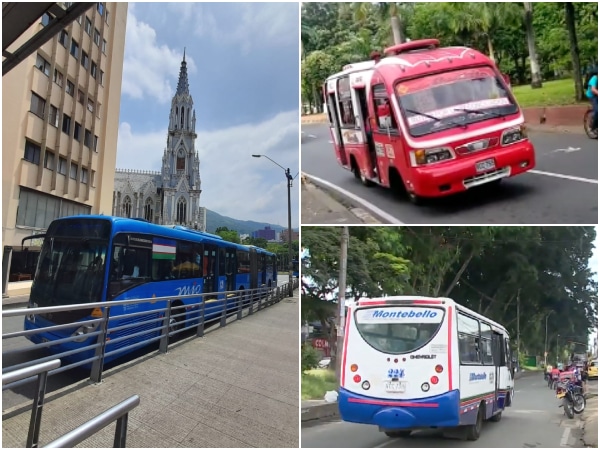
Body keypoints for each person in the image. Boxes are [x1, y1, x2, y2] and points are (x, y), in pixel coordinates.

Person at [586, 68, 598, 133]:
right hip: (592, 96)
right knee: (597, 111)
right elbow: (593, 90)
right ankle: (593, 127)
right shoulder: (594, 78)